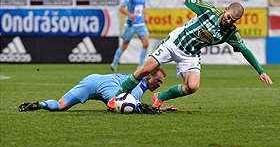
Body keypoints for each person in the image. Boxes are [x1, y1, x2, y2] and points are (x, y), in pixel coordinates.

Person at [107, 0, 273, 110]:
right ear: (225, 9)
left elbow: (245, 50)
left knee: (193, 86)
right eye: (228, 16)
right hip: (174, 42)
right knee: (144, 69)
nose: (228, 21)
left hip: (190, 54)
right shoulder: (208, 10)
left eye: (232, 20)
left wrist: (261, 71)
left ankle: (160, 97)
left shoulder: (231, 33)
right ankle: (115, 98)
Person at [18, 66, 177, 114]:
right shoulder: (140, 85)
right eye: (158, 81)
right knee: (121, 105)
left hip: (93, 79)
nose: (159, 85)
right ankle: (110, 104)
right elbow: (133, 104)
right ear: (149, 76)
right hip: (109, 86)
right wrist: (156, 110)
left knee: (61, 106)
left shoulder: (136, 79)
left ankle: (42, 104)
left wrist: (158, 107)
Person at [110, 0, 149, 73]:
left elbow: (143, 6)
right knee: (125, 45)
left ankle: (140, 66)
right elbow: (121, 8)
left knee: (146, 43)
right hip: (131, 24)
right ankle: (114, 64)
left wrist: (146, 15)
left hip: (140, 23)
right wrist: (129, 14)